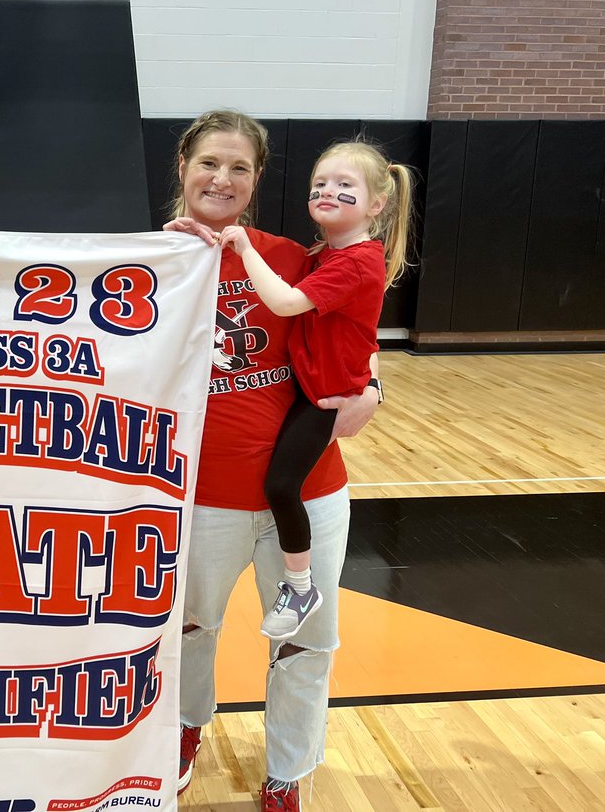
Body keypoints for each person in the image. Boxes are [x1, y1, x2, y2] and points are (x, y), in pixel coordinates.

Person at [163, 111, 380, 811]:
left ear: (256, 180)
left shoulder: (292, 257)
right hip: (203, 495)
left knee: (307, 641)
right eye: (209, 163)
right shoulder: (143, 260)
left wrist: (374, 381)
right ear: (182, 165)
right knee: (188, 627)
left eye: (239, 168)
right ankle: (185, 730)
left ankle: (288, 769)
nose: (221, 179)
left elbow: (354, 330)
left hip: (307, 490)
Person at [218, 141, 413, 643]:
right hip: (313, 390)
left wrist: (245, 248)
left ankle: (300, 585)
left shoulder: (355, 262)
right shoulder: (328, 254)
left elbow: (283, 303)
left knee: (281, 486)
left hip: (324, 400)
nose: (328, 191)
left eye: (346, 185)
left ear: (376, 205)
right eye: (321, 183)